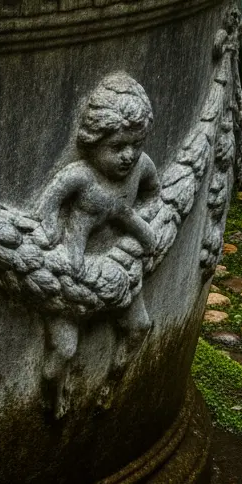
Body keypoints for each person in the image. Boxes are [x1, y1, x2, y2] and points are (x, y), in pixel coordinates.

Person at [33, 72, 159, 414]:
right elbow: (46, 207)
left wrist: (133, 221)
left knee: (140, 327)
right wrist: (51, 238)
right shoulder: (81, 176)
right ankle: (54, 396)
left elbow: (154, 196)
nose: (128, 156)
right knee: (63, 350)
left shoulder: (140, 168)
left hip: (118, 269)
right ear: (93, 143)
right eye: (117, 147)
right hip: (73, 275)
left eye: (136, 145)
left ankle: (112, 381)